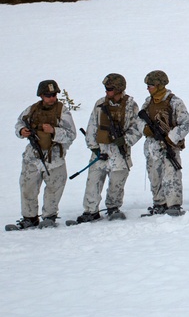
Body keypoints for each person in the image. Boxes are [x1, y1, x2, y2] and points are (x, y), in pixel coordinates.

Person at [8, 80, 77, 230]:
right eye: (48, 95)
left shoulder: (62, 111)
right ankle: (29, 218)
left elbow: (71, 135)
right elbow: (19, 123)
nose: (52, 98)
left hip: (54, 157)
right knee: (28, 187)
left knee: (54, 187)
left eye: (54, 94)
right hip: (32, 157)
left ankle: (49, 216)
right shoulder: (32, 109)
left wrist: (54, 131)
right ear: (41, 95)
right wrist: (21, 131)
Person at [76, 73, 141, 223]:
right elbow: (92, 125)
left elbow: (137, 128)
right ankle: (90, 211)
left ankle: (113, 208)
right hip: (101, 151)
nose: (107, 91)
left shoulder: (131, 105)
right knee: (93, 182)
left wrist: (125, 140)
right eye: (106, 88)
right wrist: (93, 147)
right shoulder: (100, 104)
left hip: (119, 152)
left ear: (119, 89)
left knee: (116, 184)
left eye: (110, 89)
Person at [139, 70, 189, 216]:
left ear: (159, 85)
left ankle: (173, 204)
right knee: (154, 176)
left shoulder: (174, 102)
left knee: (172, 176)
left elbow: (187, 123)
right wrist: (145, 129)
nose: (148, 88)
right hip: (152, 147)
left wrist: (171, 138)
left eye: (150, 85)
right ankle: (159, 203)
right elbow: (139, 120)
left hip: (169, 146)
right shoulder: (148, 102)